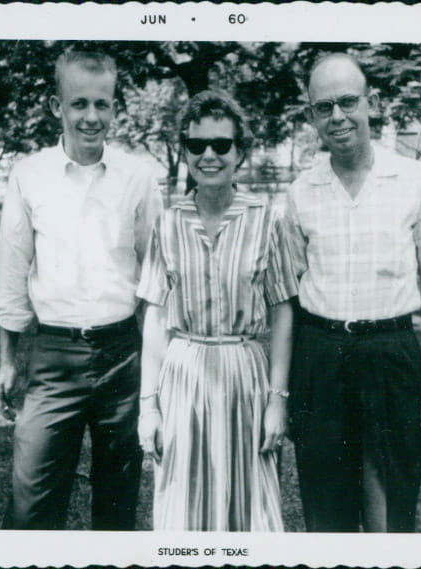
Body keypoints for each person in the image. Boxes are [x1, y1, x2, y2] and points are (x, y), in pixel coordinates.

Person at [0, 49, 162, 530]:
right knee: (31, 507)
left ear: (114, 107)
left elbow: (155, 277)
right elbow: (13, 273)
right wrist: (8, 361)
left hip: (122, 356)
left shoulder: (138, 178)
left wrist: (156, 371)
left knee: (117, 505)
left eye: (102, 104)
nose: (91, 116)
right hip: (54, 357)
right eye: (79, 103)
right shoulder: (29, 175)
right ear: (56, 106)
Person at [285, 53, 421, 532]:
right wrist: (288, 386)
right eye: (324, 107)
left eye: (348, 102)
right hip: (320, 357)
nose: (338, 117)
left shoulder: (415, 179)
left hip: (390, 353)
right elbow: (290, 295)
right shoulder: (300, 192)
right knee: (326, 510)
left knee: (390, 506)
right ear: (311, 116)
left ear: (372, 103)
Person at [136, 90, 298, 531]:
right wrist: (148, 407)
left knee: (248, 505)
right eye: (197, 145)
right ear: (185, 151)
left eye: (221, 144)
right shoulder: (168, 224)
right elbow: (155, 318)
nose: (209, 155)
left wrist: (276, 400)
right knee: (184, 506)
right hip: (183, 377)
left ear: (240, 151)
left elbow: (283, 312)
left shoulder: (267, 220)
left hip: (245, 375)